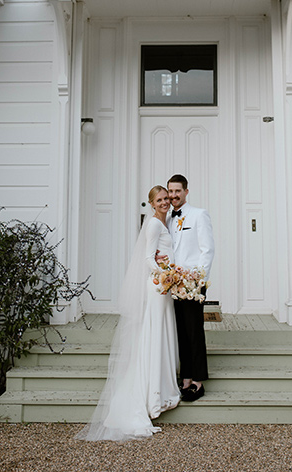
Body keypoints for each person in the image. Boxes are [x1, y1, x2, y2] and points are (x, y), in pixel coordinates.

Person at [75, 185, 180, 441]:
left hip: (164, 287)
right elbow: (147, 258)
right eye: (160, 199)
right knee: (155, 334)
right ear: (152, 203)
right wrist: (165, 276)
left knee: (162, 332)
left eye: (167, 198)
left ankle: (162, 390)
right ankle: (152, 396)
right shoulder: (154, 225)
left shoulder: (163, 222)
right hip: (158, 286)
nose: (165, 202)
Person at [167, 174, 214, 402]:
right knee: (180, 332)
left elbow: (207, 249)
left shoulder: (198, 215)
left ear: (186, 191)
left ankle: (198, 381)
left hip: (193, 283)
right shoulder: (167, 218)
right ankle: (185, 378)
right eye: (171, 192)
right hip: (173, 283)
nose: (174, 195)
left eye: (178, 191)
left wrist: (199, 279)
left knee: (194, 331)